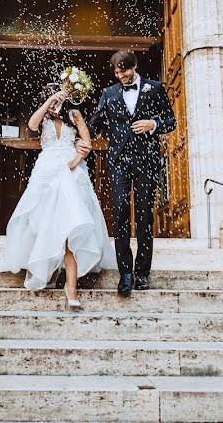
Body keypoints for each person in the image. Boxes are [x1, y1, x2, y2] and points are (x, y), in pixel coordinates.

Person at [0, 87, 115, 307]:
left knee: (70, 225)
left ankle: (71, 288)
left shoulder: (74, 115)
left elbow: (87, 143)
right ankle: (48, 270)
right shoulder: (42, 118)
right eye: (51, 99)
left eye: (59, 99)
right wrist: (49, 101)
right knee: (44, 222)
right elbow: (32, 125)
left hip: (71, 172)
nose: (55, 104)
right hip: (46, 171)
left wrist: (74, 161)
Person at [87, 50, 176, 296]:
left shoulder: (155, 88)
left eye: (124, 71)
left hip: (147, 160)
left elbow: (171, 121)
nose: (121, 76)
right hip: (119, 162)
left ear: (134, 66)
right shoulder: (109, 93)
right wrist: (77, 133)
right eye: (117, 73)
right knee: (121, 212)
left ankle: (142, 273)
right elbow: (95, 124)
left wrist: (153, 124)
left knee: (145, 215)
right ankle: (125, 272)